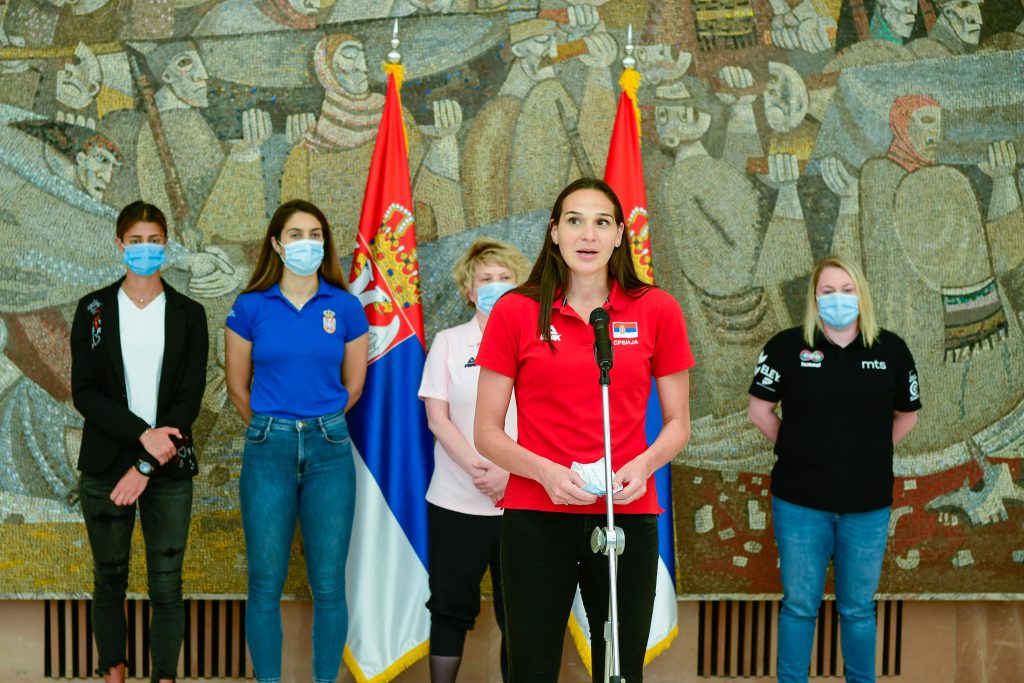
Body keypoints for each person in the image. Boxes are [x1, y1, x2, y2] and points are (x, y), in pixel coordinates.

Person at [473, 178, 694, 682]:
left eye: (601, 222)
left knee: (620, 670)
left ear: (620, 235)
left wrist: (645, 465)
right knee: (530, 668)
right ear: (554, 233)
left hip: (625, 514)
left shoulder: (656, 308)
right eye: (574, 221)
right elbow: (486, 430)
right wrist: (545, 473)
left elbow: (678, 423)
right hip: (536, 515)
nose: (587, 234)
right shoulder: (516, 310)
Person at [746, 255, 922, 683]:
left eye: (846, 291)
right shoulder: (786, 347)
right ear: (814, 298)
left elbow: (908, 415)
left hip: (867, 505)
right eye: (827, 292)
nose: (837, 299)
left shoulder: (891, 350)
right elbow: (760, 410)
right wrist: (799, 448)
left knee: (858, 609)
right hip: (800, 503)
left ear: (861, 295)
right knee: (800, 606)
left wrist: (869, 452)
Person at [224, 199, 369, 683]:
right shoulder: (250, 306)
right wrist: (276, 424)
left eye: (314, 233)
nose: (305, 242)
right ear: (276, 244)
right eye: (295, 234)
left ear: (324, 243)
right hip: (269, 448)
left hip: (330, 448)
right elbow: (237, 387)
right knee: (264, 584)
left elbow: (354, 385)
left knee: (328, 585)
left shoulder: (345, 306)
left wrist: (317, 420)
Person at [70, 201, 209, 683]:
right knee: (109, 580)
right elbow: (84, 393)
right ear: (119, 245)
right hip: (106, 465)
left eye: (154, 241)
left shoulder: (190, 314)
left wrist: (147, 462)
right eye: (136, 241)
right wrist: (140, 435)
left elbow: (188, 400)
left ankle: (164, 677)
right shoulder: (93, 310)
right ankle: (115, 673)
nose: (145, 250)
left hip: (168, 470)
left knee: (166, 585)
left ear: (165, 246)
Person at [419, 238, 531, 683]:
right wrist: (482, 471)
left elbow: (548, 420)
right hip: (455, 503)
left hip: (522, 502)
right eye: (487, 280)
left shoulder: (538, 343)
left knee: (520, 614)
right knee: (449, 609)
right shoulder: (448, 343)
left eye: (506, 279)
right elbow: (438, 419)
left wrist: (510, 474)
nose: (496, 286)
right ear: (470, 289)